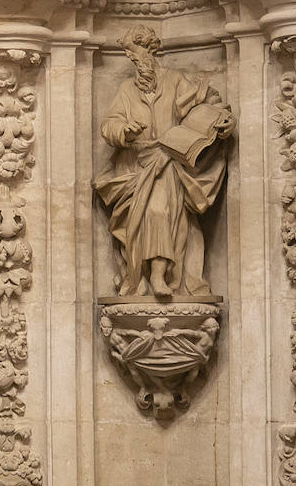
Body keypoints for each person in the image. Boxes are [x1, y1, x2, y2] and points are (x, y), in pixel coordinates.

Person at [93, 25, 235, 298]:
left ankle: (158, 275)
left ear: (150, 52)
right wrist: (125, 131)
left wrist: (221, 121)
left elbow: (211, 102)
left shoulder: (176, 81)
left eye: (136, 54)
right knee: (137, 223)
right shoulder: (126, 89)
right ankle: (137, 277)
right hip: (136, 165)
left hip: (167, 161)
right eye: (129, 56)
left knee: (158, 210)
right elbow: (109, 125)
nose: (135, 61)